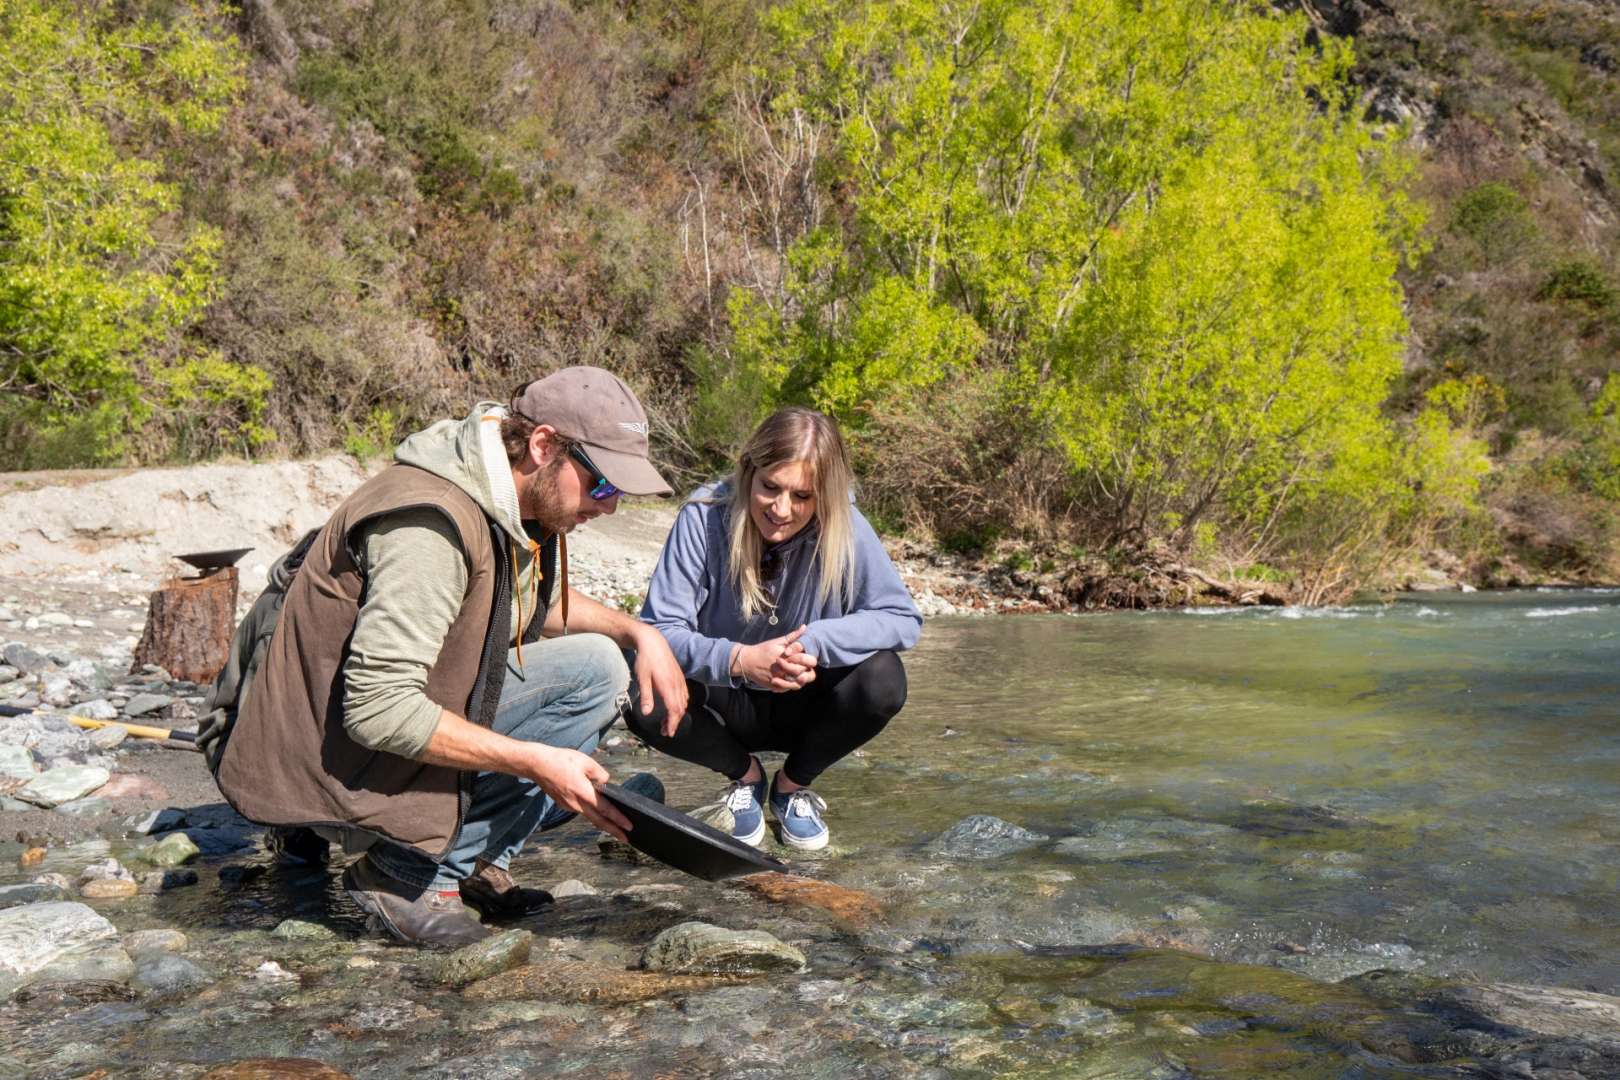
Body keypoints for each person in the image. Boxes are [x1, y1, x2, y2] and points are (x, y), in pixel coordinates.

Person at [200, 367, 689, 948]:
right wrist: (534, 760)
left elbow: (524, 604)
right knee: (575, 701)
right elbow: (378, 709)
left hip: (334, 723)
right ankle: (406, 872)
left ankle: (472, 861)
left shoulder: (504, 497)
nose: (608, 508)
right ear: (542, 446)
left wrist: (640, 634)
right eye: (603, 486)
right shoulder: (430, 524)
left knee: (599, 664)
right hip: (299, 740)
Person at [628, 406, 921, 851]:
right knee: (638, 686)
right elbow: (659, 627)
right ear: (750, 471)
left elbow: (903, 619)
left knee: (883, 677)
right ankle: (743, 776)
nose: (782, 510)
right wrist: (740, 660)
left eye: (803, 496)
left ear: (825, 494)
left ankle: (791, 786)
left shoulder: (848, 526)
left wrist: (816, 644)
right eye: (771, 488)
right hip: (723, 703)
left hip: (805, 702)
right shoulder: (703, 518)